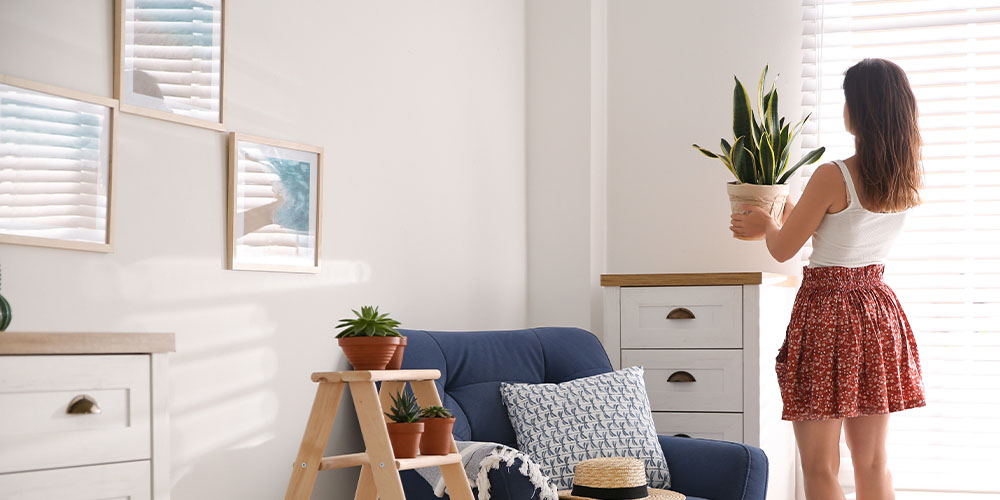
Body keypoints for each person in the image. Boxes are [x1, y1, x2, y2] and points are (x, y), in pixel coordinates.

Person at [730, 58, 926, 500]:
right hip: (877, 312)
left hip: (827, 316)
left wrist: (766, 224)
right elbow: (840, 225)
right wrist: (789, 214)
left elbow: (783, 249)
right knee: (873, 462)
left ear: (859, 109)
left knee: (820, 467)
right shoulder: (906, 177)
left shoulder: (832, 174)